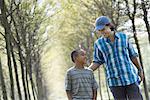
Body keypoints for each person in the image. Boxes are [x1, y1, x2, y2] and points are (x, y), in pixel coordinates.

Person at [89, 16, 144, 100]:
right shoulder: (99, 44)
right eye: (99, 31)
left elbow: (133, 55)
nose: (101, 32)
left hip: (130, 78)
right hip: (114, 82)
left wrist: (140, 70)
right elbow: (97, 61)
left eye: (103, 29)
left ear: (109, 25)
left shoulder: (124, 38)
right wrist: (86, 70)